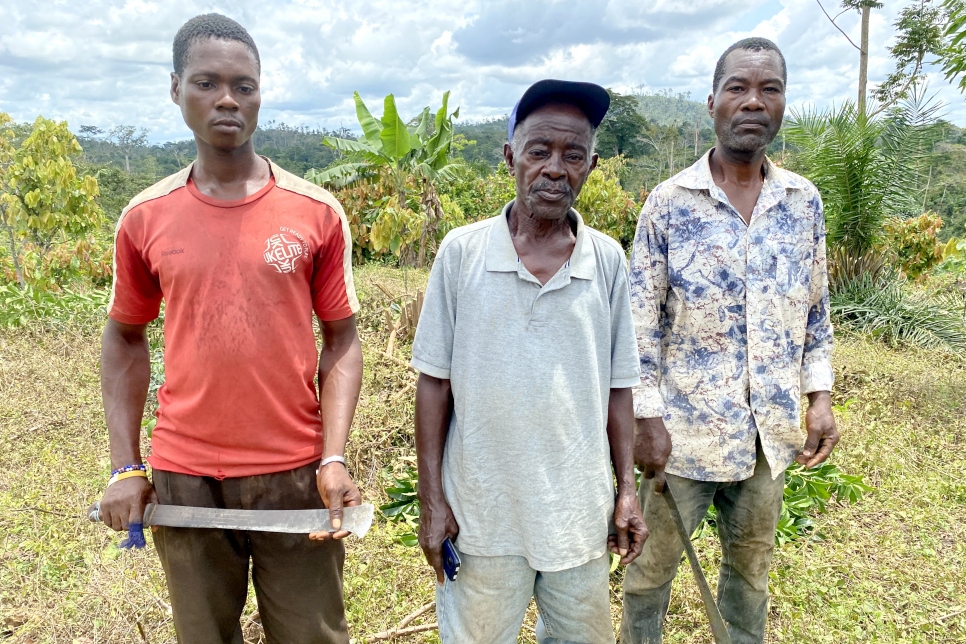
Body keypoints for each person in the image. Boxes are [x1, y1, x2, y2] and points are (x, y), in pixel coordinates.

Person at [97, 14, 362, 644]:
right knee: (203, 636)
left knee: (312, 635)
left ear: (261, 93)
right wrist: (125, 468)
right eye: (207, 82)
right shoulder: (145, 218)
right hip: (186, 475)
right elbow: (124, 337)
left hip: (293, 474)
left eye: (244, 85)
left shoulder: (315, 212)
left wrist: (333, 456)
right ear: (174, 89)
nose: (226, 99)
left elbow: (342, 339)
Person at [412, 79, 648, 644]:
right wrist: (431, 502)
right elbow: (433, 386)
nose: (554, 168)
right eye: (539, 150)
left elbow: (619, 389)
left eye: (572, 155)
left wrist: (627, 489)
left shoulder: (608, 261)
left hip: (578, 522)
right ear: (510, 155)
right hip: (481, 518)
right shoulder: (462, 253)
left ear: (591, 165)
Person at [620, 38, 839, 644]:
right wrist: (645, 418)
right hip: (682, 437)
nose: (753, 101)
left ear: (783, 105)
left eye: (769, 89)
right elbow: (637, 323)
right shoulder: (668, 204)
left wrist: (818, 397)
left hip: (770, 434)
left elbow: (815, 310)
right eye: (738, 88)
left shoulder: (803, 203)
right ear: (712, 101)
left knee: (750, 574)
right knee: (649, 572)